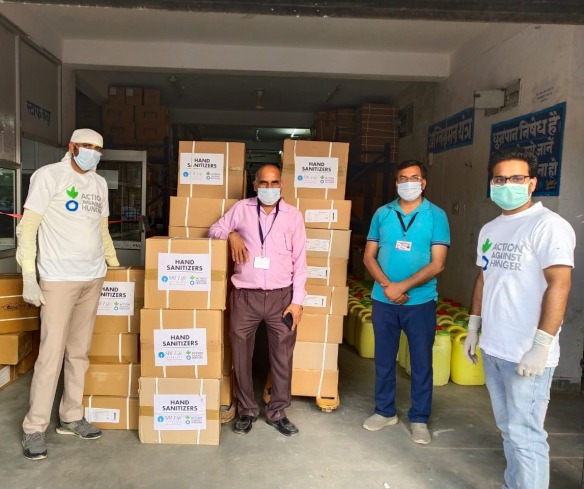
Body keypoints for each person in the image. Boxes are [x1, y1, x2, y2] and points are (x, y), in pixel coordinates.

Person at [464, 147, 575, 489]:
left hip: (527, 353)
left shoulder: (549, 226)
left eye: (516, 178)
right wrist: (473, 326)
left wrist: (541, 346)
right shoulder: (490, 229)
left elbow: (560, 284)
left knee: (526, 435)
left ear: (531, 183)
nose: (507, 184)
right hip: (495, 348)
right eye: (500, 179)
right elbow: (484, 279)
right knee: (508, 429)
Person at [17, 129, 119, 460]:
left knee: (79, 353)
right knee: (50, 354)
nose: (92, 153)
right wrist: (29, 276)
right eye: (87, 147)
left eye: (98, 149)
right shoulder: (49, 176)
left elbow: (102, 230)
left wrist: (113, 264)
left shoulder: (100, 185)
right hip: (58, 279)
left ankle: (71, 416)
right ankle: (34, 428)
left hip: (92, 278)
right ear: (72, 147)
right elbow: (27, 227)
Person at [209, 164, 307, 436]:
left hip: (281, 297)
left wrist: (297, 301)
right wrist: (231, 234)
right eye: (263, 183)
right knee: (241, 353)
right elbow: (213, 230)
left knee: (282, 356)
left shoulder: (293, 216)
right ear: (255, 185)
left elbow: (301, 263)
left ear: (282, 186)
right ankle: (247, 410)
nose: (269, 188)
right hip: (245, 296)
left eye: (274, 183)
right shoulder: (241, 209)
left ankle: (277, 411)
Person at [362, 159, 450, 445]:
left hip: (420, 302)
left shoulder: (436, 215)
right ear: (396, 182)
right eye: (403, 178)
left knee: (421, 363)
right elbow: (368, 256)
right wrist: (388, 287)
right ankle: (385, 411)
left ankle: (420, 418)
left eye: (415, 177)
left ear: (423, 183)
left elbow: (437, 264)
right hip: (383, 300)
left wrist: (403, 286)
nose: (408, 182)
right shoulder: (382, 213)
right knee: (384, 360)